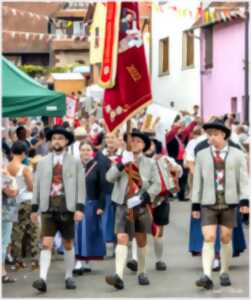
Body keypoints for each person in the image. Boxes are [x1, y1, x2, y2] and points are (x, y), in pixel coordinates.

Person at [191, 118, 249, 290]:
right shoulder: (201, 155)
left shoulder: (238, 155)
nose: (212, 138)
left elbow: (244, 181)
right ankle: (207, 275)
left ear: (224, 135)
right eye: (209, 135)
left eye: (215, 134)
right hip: (207, 202)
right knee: (208, 237)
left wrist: (245, 200)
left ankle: (224, 271)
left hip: (229, 203)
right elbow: (197, 182)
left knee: (225, 238)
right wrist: (195, 204)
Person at [31, 125, 85, 293]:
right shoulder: (43, 162)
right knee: (46, 243)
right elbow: (37, 186)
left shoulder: (75, 161)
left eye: (60, 138)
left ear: (67, 141)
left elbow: (80, 186)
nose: (57, 141)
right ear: (50, 141)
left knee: (68, 242)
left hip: (67, 206)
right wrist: (34, 208)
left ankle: (69, 276)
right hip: (48, 207)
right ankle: (42, 278)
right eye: (54, 138)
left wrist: (79, 208)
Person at [105, 129, 160, 290]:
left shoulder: (150, 163)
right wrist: (122, 164)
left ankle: (142, 272)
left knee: (141, 239)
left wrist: (145, 196)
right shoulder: (120, 160)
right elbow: (109, 178)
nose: (134, 143)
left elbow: (156, 184)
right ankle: (118, 276)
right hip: (123, 204)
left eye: (138, 141)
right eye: (132, 140)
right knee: (122, 238)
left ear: (144, 145)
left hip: (141, 204)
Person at [74, 141, 105, 274]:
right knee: (76, 233)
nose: (85, 152)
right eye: (83, 149)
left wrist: (100, 205)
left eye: (88, 150)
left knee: (90, 233)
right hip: (75, 204)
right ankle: (77, 262)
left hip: (92, 204)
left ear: (92, 151)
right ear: (79, 151)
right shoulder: (73, 166)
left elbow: (102, 188)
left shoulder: (97, 166)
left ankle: (87, 262)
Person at [8, 141, 40, 271]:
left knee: (16, 231)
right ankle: (35, 261)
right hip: (27, 201)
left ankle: (18, 261)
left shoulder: (6, 167)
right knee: (34, 230)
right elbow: (31, 187)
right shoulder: (24, 168)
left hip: (14, 201)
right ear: (23, 153)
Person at [2, 163, 18, 283]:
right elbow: (12, 192)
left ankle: (2, 272)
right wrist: (9, 177)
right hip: (4, 214)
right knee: (3, 243)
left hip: (6, 214)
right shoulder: (3, 176)